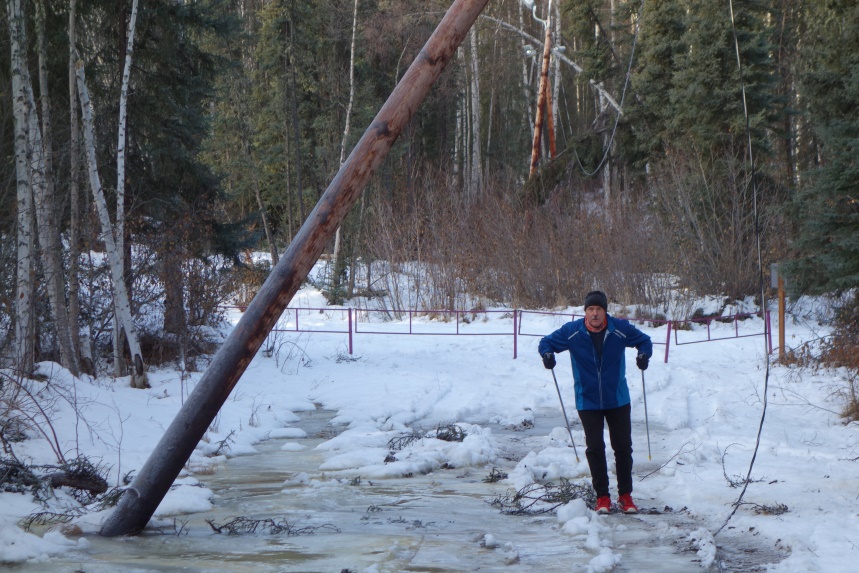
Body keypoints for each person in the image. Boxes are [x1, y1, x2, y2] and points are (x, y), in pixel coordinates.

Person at [538, 290, 652, 515]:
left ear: (605, 311)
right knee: (595, 448)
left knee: (622, 448)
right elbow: (546, 342)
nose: (595, 313)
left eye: (599, 309)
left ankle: (625, 496)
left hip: (617, 398)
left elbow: (644, 341)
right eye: (590, 309)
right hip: (587, 400)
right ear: (585, 312)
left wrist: (643, 356)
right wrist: (547, 355)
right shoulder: (572, 332)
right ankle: (602, 497)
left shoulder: (619, 329)